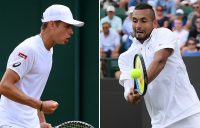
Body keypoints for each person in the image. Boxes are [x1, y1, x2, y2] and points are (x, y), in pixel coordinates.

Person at [0, 4, 84, 128]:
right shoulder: (29, 49)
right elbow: (4, 86)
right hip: (11, 124)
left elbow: (33, 91)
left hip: (30, 124)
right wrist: (41, 105)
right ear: (51, 24)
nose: (71, 32)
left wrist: (41, 122)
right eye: (67, 26)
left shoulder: (49, 50)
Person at [118, 3, 200, 128]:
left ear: (154, 23)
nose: (138, 25)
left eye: (143, 21)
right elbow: (129, 90)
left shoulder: (164, 34)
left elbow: (160, 61)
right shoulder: (125, 58)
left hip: (188, 113)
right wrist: (132, 96)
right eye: (135, 21)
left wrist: (141, 86)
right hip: (159, 123)